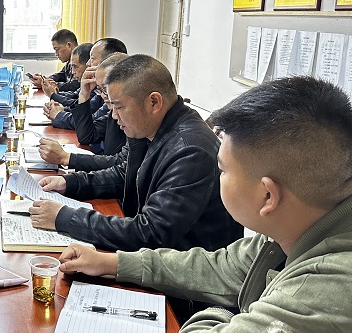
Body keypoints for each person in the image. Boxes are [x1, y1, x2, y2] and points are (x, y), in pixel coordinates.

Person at [58, 76, 352, 333]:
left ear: (267, 196)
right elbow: (222, 267)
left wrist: (229, 313)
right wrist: (113, 264)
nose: (217, 174)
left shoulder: (329, 299)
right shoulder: (306, 225)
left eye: (222, 169)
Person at [30, 54, 242, 254]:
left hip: (180, 270)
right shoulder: (153, 127)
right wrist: (70, 183)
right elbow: (125, 174)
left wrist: (65, 217)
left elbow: (151, 233)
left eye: (118, 107)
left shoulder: (190, 150)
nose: (114, 116)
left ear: (153, 102)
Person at [39, 52, 128, 170]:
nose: (88, 63)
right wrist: (84, 94)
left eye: (92, 59)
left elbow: (122, 165)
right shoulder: (112, 111)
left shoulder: (131, 115)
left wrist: (67, 158)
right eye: (101, 90)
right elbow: (87, 136)